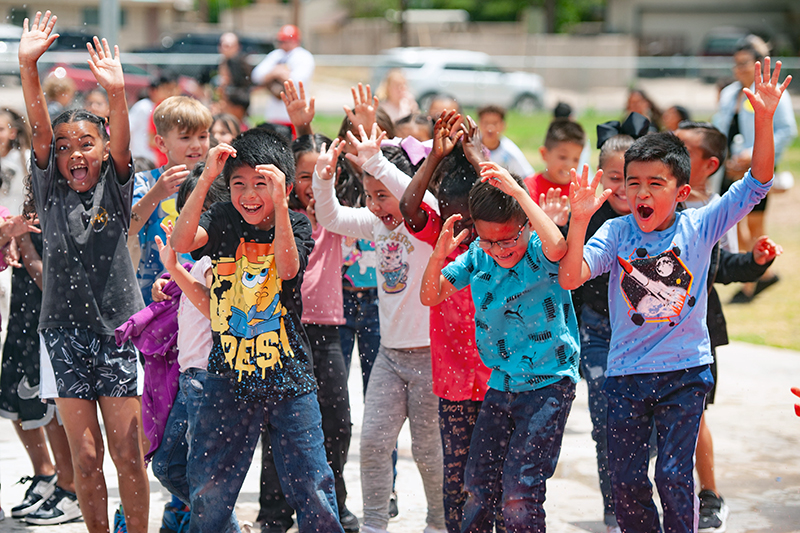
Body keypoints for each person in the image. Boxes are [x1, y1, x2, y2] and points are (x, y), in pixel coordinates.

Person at [559, 57, 790, 533]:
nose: (640, 192)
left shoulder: (701, 226)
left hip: (684, 373)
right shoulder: (618, 233)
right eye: (632, 182)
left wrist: (763, 120)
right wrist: (578, 221)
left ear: (682, 191)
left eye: (654, 184)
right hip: (625, 375)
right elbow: (570, 277)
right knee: (625, 482)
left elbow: (758, 182)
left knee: (671, 474)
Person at [170, 129, 343, 533]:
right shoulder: (222, 218)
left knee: (312, 482)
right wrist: (208, 179)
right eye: (238, 184)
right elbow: (182, 241)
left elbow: (286, 269)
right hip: (228, 373)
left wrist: (281, 206)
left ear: (280, 184)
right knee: (210, 487)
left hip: (289, 372)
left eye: (260, 184)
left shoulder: (296, 224)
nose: (249, 194)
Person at [19, 11, 148, 533]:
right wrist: (28, 66)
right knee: (88, 458)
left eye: (87, 145)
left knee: (127, 454)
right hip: (64, 334)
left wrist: (115, 94)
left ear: (103, 151)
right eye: (67, 147)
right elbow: (40, 131)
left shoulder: (114, 188)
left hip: (118, 330)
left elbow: (119, 143)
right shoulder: (50, 188)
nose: (76, 153)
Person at [420, 161, 579, 532]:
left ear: (524, 223)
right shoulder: (477, 256)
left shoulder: (540, 250)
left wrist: (520, 194)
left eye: (509, 239)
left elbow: (559, 246)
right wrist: (438, 254)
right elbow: (431, 296)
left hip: (548, 385)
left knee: (519, 491)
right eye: (490, 240)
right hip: (502, 385)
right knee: (476, 486)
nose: (500, 249)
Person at [313, 126, 445, 533]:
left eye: (382, 195)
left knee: (428, 451)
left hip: (428, 357)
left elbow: (423, 198)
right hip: (390, 357)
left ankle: (439, 523)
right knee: (372, 444)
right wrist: (322, 179)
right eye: (369, 196)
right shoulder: (377, 226)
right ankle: (373, 526)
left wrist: (376, 162)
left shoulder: (424, 223)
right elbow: (331, 216)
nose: (374, 205)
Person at [675, 121, 781, 533]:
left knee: (694, 416)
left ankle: (709, 495)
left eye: (684, 149)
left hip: (697, 331)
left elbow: (723, 269)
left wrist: (756, 262)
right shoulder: (649, 201)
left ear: (709, 164)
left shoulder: (718, 209)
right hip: (645, 332)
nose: (674, 154)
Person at [399, 113, 500, 533]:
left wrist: (476, 155)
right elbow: (408, 206)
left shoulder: (504, 243)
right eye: (457, 218)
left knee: (497, 475)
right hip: (454, 384)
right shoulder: (441, 236)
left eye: (474, 221)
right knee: (457, 479)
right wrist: (436, 156)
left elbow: (507, 196)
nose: (466, 230)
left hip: (500, 380)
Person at [257, 133, 358, 533]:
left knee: (336, 422)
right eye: (303, 174)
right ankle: (274, 511)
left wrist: (326, 181)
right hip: (282, 330)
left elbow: (336, 178)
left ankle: (335, 501)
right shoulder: (276, 216)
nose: (312, 182)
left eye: (319, 174)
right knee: (278, 423)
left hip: (328, 331)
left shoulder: (334, 215)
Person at [148, 167, 241, 533]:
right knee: (169, 466)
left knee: (200, 475)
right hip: (191, 380)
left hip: (211, 380)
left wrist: (176, 273)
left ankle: (221, 523)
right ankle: (223, 520)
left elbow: (216, 313)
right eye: (187, 211)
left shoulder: (226, 263)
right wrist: (169, 279)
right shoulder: (198, 262)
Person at [570, 122, 643, 533]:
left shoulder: (655, 217)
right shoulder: (588, 214)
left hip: (646, 336)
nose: (621, 188)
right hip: (597, 331)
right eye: (613, 178)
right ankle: (614, 507)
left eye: (629, 180)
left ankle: (636, 486)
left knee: (644, 427)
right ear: (600, 176)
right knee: (606, 422)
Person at [712, 35, 796, 303]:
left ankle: (753, 281)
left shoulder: (770, 92)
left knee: (756, 224)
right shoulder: (729, 94)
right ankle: (758, 275)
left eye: (744, 63)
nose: (739, 69)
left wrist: (752, 156)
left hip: (755, 171)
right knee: (734, 225)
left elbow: (786, 131)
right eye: (735, 64)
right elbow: (719, 129)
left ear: (759, 63)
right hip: (730, 170)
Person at [130, 96, 212, 304]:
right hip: (154, 295)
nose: (196, 145)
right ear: (161, 143)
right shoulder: (146, 182)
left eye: (202, 136)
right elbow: (129, 226)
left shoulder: (217, 184)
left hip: (202, 293)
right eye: (185, 138)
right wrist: (157, 194)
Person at [251, 25, 315, 126]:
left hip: (296, 115)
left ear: (295, 40)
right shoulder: (276, 55)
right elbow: (256, 75)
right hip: (274, 113)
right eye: (280, 41)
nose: (282, 44)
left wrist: (275, 73)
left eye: (285, 40)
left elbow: (298, 81)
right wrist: (277, 72)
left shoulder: (303, 56)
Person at [523, 118, 585, 207]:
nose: (569, 165)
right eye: (562, 157)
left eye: (576, 159)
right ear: (544, 154)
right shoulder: (530, 188)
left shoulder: (580, 187)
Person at [129, 72, 179, 167]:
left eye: (173, 89)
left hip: (158, 159)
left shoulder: (168, 107)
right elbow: (150, 139)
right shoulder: (146, 106)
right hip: (145, 158)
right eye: (167, 89)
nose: (170, 93)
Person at [478, 105, 534, 179]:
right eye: (486, 123)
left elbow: (528, 176)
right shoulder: (470, 147)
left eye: (495, 123)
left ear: (503, 125)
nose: (490, 128)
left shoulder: (510, 151)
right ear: (479, 124)